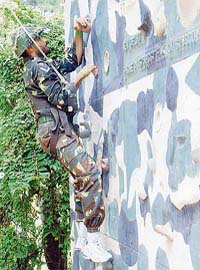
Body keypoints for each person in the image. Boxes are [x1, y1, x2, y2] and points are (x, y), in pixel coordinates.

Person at [13, 18, 112, 263]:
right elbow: (62, 97)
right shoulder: (37, 68)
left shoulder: (39, 66)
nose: (45, 41)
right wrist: (83, 76)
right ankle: (92, 239)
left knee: (82, 176)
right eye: (40, 38)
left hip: (56, 134)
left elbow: (72, 60)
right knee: (88, 174)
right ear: (31, 47)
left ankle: (82, 237)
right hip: (58, 134)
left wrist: (78, 31)